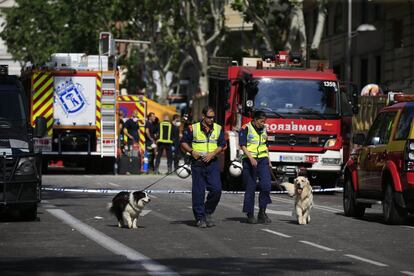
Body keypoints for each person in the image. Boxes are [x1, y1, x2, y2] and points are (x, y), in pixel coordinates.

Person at [181, 106, 225, 228]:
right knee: (198, 192)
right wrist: (191, 151)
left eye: (213, 117)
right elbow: (183, 142)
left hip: (212, 163)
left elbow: (222, 144)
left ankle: (208, 211)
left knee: (217, 189)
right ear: (203, 116)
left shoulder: (218, 128)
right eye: (209, 117)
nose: (211, 119)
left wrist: (213, 154)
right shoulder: (192, 128)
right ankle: (200, 218)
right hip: (198, 163)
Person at [239, 110, 272, 224]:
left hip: (262, 159)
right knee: (250, 187)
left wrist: (269, 160)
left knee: (266, 185)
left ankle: (262, 212)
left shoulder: (264, 129)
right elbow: (242, 145)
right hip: (249, 160)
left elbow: (266, 145)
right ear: (255, 119)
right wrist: (251, 158)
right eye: (261, 121)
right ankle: (250, 214)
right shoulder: (245, 128)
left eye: (264, 122)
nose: (263, 124)